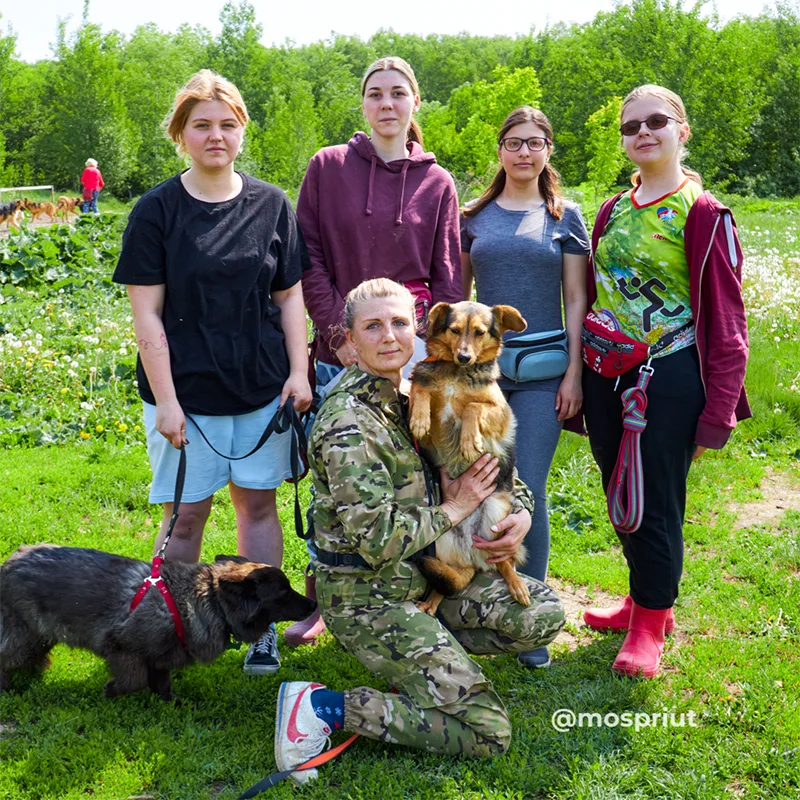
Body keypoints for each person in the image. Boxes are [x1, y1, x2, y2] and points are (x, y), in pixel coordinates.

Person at [273, 278, 565, 784]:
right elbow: (381, 540)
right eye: (372, 326)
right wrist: (456, 508)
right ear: (347, 338)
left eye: (400, 323)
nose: (389, 337)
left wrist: (520, 512)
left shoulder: (415, 393)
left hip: (428, 573)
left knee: (541, 612)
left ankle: (425, 664)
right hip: (369, 595)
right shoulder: (349, 423)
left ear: (417, 330)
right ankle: (322, 707)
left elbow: (495, 464)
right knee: (489, 733)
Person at [112, 70, 312, 677]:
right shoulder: (156, 211)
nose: (215, 136)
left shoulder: (273, 204)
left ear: (242, 131)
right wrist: (166, 400)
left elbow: (290, 299)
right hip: (185, 401)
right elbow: (146, 313)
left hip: (259, 393)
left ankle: (261, 637)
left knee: (257, 509)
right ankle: (164, 631)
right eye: (201, 125)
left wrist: (299, 372)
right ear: (181, 135)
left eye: (227, 124)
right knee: (185, 519)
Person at [287, 55, 462, 646]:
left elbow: (447, 278)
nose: (386, 104)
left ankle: (426, 595)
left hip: (412, 354)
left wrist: (433, 360)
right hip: (342, 347)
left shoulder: (437, 183)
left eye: (398, 94)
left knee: (420, 474)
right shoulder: (328, 167)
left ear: (415, 104)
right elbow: (307, 255)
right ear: (363, 104)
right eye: (375, 94)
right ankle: (322, 598)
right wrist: (339, 333)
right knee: (338, 479)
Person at [576, 85, 750, 677]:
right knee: (619, 489)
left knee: (656, 499)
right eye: (631, 127)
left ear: (682, 131)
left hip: (669, 376)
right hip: (607, 372)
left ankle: (651, 621)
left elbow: (728, 322)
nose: (642, 133)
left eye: (656, 122)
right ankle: (640, 597)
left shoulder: (704, 213)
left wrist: (719, 411)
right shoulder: (611, 209)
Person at [460, 107, 589, 669]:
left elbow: (578, 300)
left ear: (549, 150)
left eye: (535, 142)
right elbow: (457, 294)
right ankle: (471, 599)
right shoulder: (473, 217)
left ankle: (529, 613)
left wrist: (575, 374)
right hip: (479, 381)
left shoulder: (565, 217)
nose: (524, 152)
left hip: (542, 379)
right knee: (472, 487)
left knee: (526, 487)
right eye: (514, 143)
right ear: (500, 151)